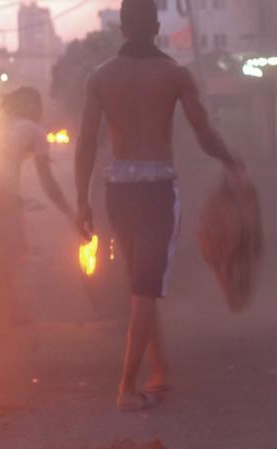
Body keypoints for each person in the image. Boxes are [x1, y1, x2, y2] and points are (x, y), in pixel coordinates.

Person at [74, 0, 242, 411]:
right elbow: (203, 133)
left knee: (140, 285)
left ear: (122, 28)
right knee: (146, 288)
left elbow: (85, 144)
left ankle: (161, 369)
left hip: (118, 189)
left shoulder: (101, 77)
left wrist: (81, 201)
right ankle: (126, 391)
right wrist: (230, 159)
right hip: (157, 189)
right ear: (156, 25)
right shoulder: (174, 75)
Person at [0, 87, 76, 260]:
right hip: (3, 198)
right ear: (29, 106)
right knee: (14, 252)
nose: (41, 113)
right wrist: (69, 213)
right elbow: (47, 181)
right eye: (39, 107)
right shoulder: (34, 130)